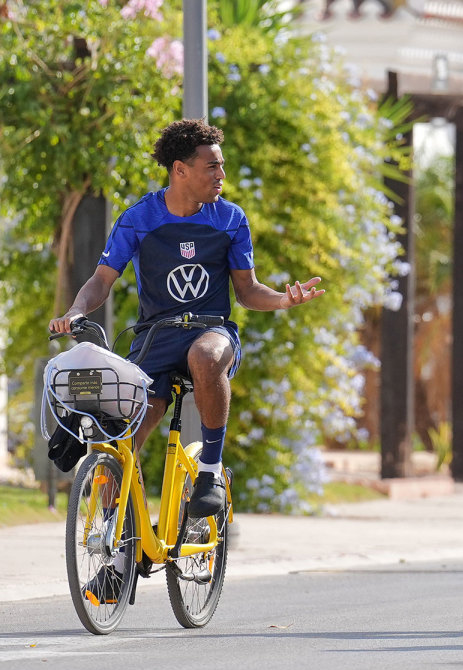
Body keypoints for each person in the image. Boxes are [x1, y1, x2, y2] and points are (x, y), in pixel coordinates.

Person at [49, 119, 324, 520]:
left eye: (222, 165)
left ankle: (210, 471)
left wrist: (283, 300)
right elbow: (101, 280)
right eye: (212, 166)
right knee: (120, 442)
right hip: (154, 338)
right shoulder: (139, 218)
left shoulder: (229, 219)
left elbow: (247, 292)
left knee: (206, 356)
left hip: (212, 330)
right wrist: (76, 311)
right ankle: (114, 545)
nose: (222, 175)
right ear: (180, 170)